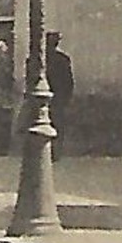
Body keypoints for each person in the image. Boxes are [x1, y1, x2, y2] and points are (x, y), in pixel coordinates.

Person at [45, 31, 75, 161]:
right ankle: (55, 153)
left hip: (46, 98)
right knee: (57, 126)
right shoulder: (63, 59)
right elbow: (69, 81)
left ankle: (47, 152)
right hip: (58, 98)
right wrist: (66, 97)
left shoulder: (40, 58)